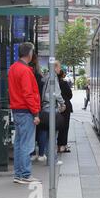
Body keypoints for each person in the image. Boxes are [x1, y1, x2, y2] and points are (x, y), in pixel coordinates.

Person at [8, 42, 41, 184]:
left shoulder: (13, 68)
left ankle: (18, 174)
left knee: (19, 144)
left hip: (16, 110)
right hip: (26, 111)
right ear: (29, 53)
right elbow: (28, 94)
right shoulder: (25, 70)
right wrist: (35, 113)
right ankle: (25, 175)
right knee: (26, 145)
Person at [38, 61, 66, 164]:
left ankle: (48, 157)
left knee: (47, 134)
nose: (60, 69)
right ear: (54, 67)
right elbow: (57, 94)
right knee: (53, 135)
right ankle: (52, 159)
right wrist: (63, 104)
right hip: (51, 108)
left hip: (45, 108)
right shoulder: (53, 77)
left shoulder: (46, 76)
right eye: (59, 67)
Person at [58, 69, 73, 152]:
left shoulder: (55, 83)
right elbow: (70, 95)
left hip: (56, 106)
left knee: (57, 126)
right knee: (65, 126)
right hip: (65, 106)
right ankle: (63, 146)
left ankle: (58, 145)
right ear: (62, 75)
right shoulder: (64, 83)